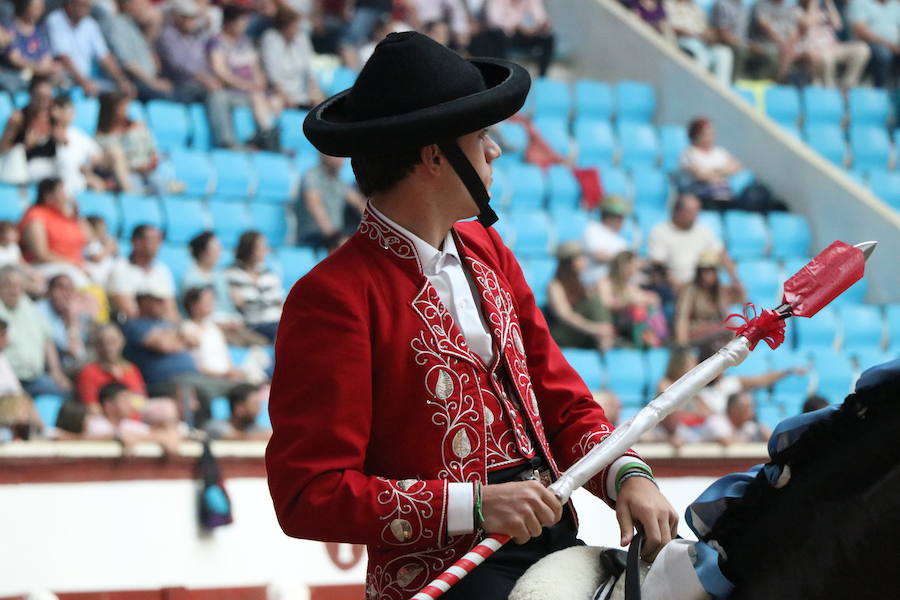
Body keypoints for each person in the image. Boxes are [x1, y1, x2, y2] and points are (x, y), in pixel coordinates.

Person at [266, 32, 677, 599]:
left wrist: (626, 475)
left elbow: (560, 402)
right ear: (434, 155)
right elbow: (308, 493)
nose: (496, 150)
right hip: (445, 578)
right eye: (481, 135)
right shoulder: (333, 296)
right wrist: (477, 505)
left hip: (554, 544)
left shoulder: (488, 251)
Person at [207, 3, 281, 150]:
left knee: (275, 101)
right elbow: (221, 72)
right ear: (228, 23)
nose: (244, 26)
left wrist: (259, 83)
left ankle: (266, 136)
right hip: (232, 92)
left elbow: (256, 69)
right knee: (254, 97)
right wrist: (246, 86)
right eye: (241, 23)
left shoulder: (245, 42)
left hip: (251, 92)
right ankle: (266, 137)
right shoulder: (216, 42)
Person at [0, 265, 71, 398]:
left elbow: (47, 341)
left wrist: (56, 372)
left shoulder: (30, 308)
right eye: (8, 285)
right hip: (6, 377)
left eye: (18, 285)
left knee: (65, 393)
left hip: (34, 378)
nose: (14, 290)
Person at [45, 0, 134, 96]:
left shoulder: (90, 24)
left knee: (119, 91)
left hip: (85, 81)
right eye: (83, 6)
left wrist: (122, 80)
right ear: (70, 6)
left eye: (88, 6)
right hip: (63, 80)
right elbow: (63, 57)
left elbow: (104, 57)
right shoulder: (55, 20)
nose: (86, 10)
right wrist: (83, 82)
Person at [18, 177, 91, 288]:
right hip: (45, 267)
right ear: (49, 196)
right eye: (62, 192)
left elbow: (89, 239)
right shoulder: (36, 215)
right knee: (77, 280)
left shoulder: (68, 216)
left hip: (75, 265)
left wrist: (78, 216)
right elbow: (41, 254)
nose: (66, 196)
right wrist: (73, 264)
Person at [673, 249, 744, 357]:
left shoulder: (719, 291)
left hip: (713, 335)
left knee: (735, 330)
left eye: (710, 270)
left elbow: (740, 297)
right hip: (695, 333)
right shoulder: (690, 290)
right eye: (702, 270)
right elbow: (682, 318)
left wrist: (733, 276)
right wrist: (683, 346)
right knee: (728, 328)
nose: (705, 274)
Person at [546, 241, 615, 350]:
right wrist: (594, 329)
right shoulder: (555, 286)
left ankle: (606, 339)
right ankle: (605, 341)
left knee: (595, 300)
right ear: (569, 262)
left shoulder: (582, 283)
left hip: (582, 332)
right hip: (562, 332)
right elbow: (566, 316)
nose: (585, 261)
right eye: (580, 257)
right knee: (594, 302)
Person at [156, 0, 227, 106]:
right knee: (216, 95)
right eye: (187, 17)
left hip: (198, 85)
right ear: (176, 17)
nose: (192, 21)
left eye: (194, 17)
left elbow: (204, 61)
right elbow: (179, 66)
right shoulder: (167, 35)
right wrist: (203, 78)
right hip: (180, 85)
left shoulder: (195, 36)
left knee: (223, 93)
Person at [100, 0, 174, 101]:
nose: (142, 6)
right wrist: (152, 82)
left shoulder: (131, 24)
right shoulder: (115, 24)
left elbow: (156, 65)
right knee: (172, 96)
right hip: (134, 84)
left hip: (147, 82)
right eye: (137, 3)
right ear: (125, 4)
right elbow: (126, 62)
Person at [84, 381, 182, 455]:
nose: (130, 404)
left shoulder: (127, 424)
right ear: (109, 405)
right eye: (125, 400)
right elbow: (101, 437)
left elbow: (154, 433)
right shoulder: (96, 424)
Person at [647, 193, 724, 288]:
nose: (695, 216)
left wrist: (735, 279)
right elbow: (659, 265)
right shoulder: (660, 232)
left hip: (702, 287)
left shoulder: (704, 231)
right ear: (677, 211)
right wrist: (678, 287)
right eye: (690, 212)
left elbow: (721, 253)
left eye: (697, 211)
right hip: (673, 288)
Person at [106, 224, 178, 322]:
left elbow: (171, 310)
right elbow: (130, 311)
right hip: (131, 325)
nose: (157, 244)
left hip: (163, 325)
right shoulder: (120, 268)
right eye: (152, 240)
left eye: (159, 240)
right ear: (137, 242)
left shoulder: (162, 270)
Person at [223, 231, 284, 342]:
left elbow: (279, 301)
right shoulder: (231, 273)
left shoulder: (269, 274)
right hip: (254, 324)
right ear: (249, 249)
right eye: (262, 246)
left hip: (276, 321)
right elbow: (239, 303)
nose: (266, 250)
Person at [296, 152, 366, 250]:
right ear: (325, 155)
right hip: (313, 234)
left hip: (335, 235)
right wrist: (333, 235)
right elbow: (314, 204)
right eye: (339, 157)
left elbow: (359, 203)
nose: (343, 161)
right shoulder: (312, 176)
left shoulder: (339, 181)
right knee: (346, 244)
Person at [95, 91, 161, 193]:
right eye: (120, 107)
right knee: (134, 183)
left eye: (125, 106)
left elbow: (152, 151)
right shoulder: (101, 136)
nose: (125, 110)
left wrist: (149, 164)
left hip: (147, 171)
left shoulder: (139, 127)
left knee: (157, 181)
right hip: (126, 174)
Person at [259, 6, 323, 110]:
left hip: (302, 92)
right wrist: (285, 97)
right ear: (284, 26)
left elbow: (309, 70)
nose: (297, 29)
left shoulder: (301, 38)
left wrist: (314, 93)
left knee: (321, 102)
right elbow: (273, 76)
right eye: (294, 26)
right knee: (276, 103)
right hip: (279, 93)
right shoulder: (270, 39)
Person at [598, 250, 666, 347]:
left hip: (629, 323)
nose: (636, 269)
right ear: (625, 266)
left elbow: (641, 297)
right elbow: (606, 303)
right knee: (637, 310)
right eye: (633, 265)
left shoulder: (629, 286)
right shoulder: (606, 283)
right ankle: (649, 339)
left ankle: (654, 337)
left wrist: (649, 298)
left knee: (649, 307)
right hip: (614, 322)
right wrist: (627, 302)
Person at [796, 0, 869, 88]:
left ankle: (847, 85)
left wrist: (829, 2)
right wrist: (813, 3)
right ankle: (830, 88)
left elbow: (838, 25)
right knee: (827, 57)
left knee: (862, 49)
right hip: (815, 49)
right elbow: (808, 24)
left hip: (833, 47)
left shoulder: (824, 9)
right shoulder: (797, 10)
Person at [180, 286, 247, 382]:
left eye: (211, 300)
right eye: (206, 301)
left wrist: (232, 371)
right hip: (208, 379)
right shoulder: (186, 329)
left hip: (227, 376)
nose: (211, 304)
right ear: (193, 305)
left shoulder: (213, 328)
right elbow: (196, 365)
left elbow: (226, 357)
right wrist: (223, 375)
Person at [49, 94, 112, 195]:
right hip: (58, 176)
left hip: (80, 176)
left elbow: (97, 154)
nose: (72, 115)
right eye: (69, 111)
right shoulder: (46, 131)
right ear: (56, 111)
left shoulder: (77, 134)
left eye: (73, 111)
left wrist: (89, 165)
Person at [475, 0, 556, 76]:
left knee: (548, 37)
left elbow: (541, 17)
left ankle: (543, 76)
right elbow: (493, 22)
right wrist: (519, 26)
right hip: (496, 37)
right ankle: (502, 72)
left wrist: (539, 27)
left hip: (519, 34)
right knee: (497, 35)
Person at [0, 76, 56, 183]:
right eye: (40, 97)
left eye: (48, 97)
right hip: (21, 169)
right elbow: (2, 149)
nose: (44, 101)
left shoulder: (54, 117)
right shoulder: (18, 118)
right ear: (31, 95)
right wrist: (24, 145)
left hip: (47, 169)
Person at [679, 117, 742, 210]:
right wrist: (724, 171)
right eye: (706, 134)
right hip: (704, 197)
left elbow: (736, 166)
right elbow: (701, 175)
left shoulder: (719, 151)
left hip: (724, 195)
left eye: (712, 133)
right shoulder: (688, 154)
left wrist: (713, 172)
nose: (711, 136)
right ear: (697, 135)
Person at [0, 0, 61, 94]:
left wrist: (48, 68)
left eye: (41, 8)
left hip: (39, 77)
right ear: (25, 7)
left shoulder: (41, 30)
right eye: (36, 8)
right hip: (16, 76)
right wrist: (38, 69)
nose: (41, 11)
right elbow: (14, 58)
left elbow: (46, 56)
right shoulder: (10, 28)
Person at [666, 0, 734, 83]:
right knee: (701, 54)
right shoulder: (669, 4)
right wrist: (695, 35)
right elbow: (671, 27)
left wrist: (710, 35)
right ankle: (698, 87)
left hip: (702, 41)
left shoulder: (695, 7)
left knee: (723, 53)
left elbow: (704, 27)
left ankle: (721, 89)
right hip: (683, 41)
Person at [37, 273, 91, 374]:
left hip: (73, 367)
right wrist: (72, 322)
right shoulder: (40, 311)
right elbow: (73, 351)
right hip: (50, 368)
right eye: (60, 288)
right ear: (49, 291)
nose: (66, 294)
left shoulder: (75, 311)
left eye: (70, 289)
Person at [848, 0, 900, 87]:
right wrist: (891, 46)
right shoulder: (860, 3)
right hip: (868, 44)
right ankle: (882, 90)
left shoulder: (896, 6)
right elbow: (861, 31)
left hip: (894, 46)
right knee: (883, 54)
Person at [748, 0, 802, 82]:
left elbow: (793, 31)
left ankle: (785, 80)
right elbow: (763, 24)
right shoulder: (761, 4)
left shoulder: (788, 8)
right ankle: (780, 81)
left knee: (807, 53)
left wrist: (789, 44)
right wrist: (781, 42)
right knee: (785, 52)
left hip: (784, 45)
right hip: (764, 43)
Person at [582, 195, 632, 284]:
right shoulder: (593, 229)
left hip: (617, 285)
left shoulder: (621, 241)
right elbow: (598, 254)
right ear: (609, 216)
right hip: (594, 283)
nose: (622, 221)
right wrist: (621, 261)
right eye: (619, 217)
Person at [204, 381, 270, 440]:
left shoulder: (254, 428)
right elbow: (232, 436)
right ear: (239, 408)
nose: (259, 411)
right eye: (255, 405)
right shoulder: (216, 427)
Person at [699, 390, 770, 444]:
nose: (751, 412)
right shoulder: (716, 421)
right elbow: (726, 441)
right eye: (746, 409)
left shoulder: (748, 425)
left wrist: (762, 432)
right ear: (734, 410)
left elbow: (769, 437)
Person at [83, 215, 118, 286]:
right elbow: (97, 257)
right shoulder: (91, 244)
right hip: (97, 277)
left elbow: (115, 251)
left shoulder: (104, 242)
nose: (104, 232)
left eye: (105, 229)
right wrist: (109, 248)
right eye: (101, 229)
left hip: (110, 274)